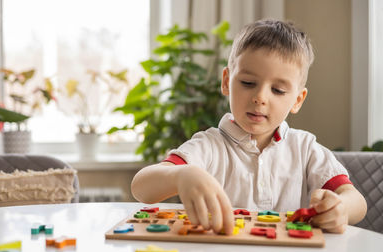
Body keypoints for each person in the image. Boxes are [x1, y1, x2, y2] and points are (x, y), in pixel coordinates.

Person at [131, 19, 367, 235]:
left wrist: (340, 208)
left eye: (278, 90)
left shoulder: (305, 148)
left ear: (297, 100)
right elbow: (141, 187)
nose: (260, 97)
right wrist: (181, 175)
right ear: (226, 82)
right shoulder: (210, 145)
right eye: (247, 83)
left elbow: (356, 201)